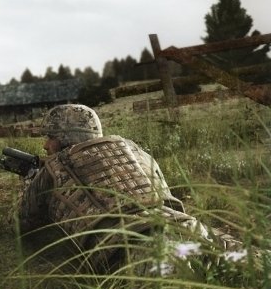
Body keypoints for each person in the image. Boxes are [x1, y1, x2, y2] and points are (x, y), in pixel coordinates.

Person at [17, 104, 239, 276]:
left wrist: (29, 181)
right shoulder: (133, 150)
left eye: (51, 137)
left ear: (66, 137)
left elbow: (23, 223)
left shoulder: (56, 167)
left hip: (141, 247)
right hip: (186, 225)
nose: (45, 145)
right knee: (249, 269)